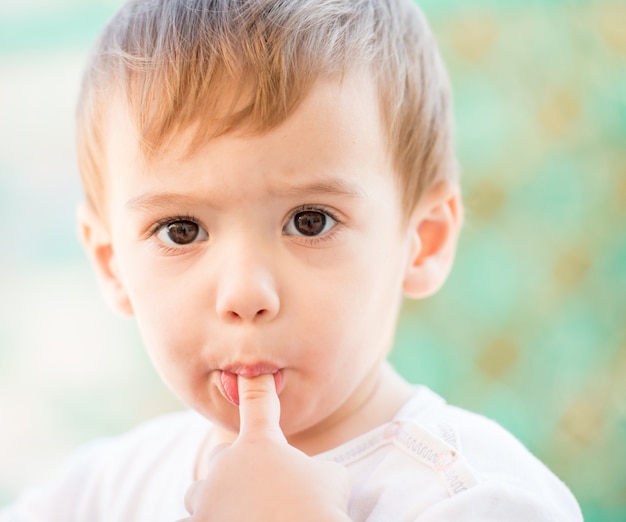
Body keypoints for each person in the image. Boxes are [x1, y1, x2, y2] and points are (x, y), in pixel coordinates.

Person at [1, 0, 583, 520]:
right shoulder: (105, 492)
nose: (245, 294)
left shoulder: (476, 499)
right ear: (111, 262)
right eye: (182, 230)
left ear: (421, 240)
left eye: (310, 221)